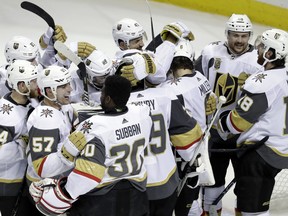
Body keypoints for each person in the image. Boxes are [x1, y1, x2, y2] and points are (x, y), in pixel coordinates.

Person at [29, 75, 153, 216]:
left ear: (107, 99)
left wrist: (64, 193)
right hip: (137, 197)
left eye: (102, 93)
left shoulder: (93, 128)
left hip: (102, 201)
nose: (100, 96)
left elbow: (88, 175)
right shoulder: (142, 115)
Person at [194, 14, 263, 215]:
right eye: (235, 35)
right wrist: (204, 98)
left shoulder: (258, 61)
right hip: (214, 131)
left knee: (246, 186)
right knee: (212, 182)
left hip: (244, 134)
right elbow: (194, 81)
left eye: (244, 36)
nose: (239, 40)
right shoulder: (210, 52)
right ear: (227, 34)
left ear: (250, 36)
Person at [217, 28, 288, 216]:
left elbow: (237, 123)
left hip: (261, 154)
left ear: (270, 53)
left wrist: (219, 122)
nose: (257, 48)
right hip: (281, 149)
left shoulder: (262, 83)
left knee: (254, 212)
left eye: (262, 46)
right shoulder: (283, 75)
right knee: (247, 202)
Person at [159, 40, 213, 216]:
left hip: (181, 152)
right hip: (201, 146)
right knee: (192, 197)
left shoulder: (168, 89)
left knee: (179, 202)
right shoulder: (201, 78)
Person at [0, 60, 38, 215]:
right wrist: (24, 145)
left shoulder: (31, 102)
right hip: (9, 184)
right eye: (34, 81)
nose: (37, 84)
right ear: (22, 86)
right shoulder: (5, 117)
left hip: (25, 181)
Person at [112, 18, 194, 87]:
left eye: (141, 39)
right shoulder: (130, 60)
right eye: (137, 41)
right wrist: (171, 38)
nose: (142, 44)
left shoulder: (116, 60)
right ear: (122, 45)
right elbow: (159, 76)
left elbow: (151, 57)